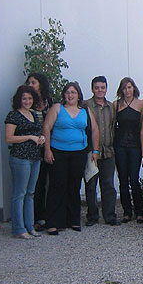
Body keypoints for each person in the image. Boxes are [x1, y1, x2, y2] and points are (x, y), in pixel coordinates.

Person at [42, 82, 100, 235]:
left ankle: (73, 220)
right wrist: (47, 149)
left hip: (79, 153)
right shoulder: (57, 108)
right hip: (58, 151)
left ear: (78, 95)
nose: (70, 95)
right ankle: (54, 222)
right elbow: (46, 128)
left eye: (73, 92)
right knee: (57, 186)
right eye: (67, 92)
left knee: (74, 186)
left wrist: (95, 150)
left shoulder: (85, 110)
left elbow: (94, 130)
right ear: (64, 95)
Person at [5, 85, 45, 239]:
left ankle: (30, 226)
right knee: (19, 193)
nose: (27, 101)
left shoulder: (33, 115)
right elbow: (9, 138)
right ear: (19, 100)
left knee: (30, 193)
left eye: (30, 98)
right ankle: (18, 228)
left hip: (34, 157)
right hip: (20, 158)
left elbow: (37, 133)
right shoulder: (13, 115)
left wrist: (40, 138)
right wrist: (29, 137)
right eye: (24, 98)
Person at [84, 76, 120, 226]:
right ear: (92, 89)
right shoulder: (85, 106)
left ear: (106, 88)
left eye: (103, 87)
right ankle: (92, 216)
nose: (100, 90)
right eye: (97, 87)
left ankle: (109, 216)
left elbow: (113, 127)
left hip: (108, 151)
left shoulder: (111, 106)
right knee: (91, 185)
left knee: (108, 185)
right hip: (91, 151)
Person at [113, 77, 143, 223]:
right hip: (120, 145)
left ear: (134, 88)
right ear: (121, 90)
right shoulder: (116, 104)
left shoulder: (140, 104)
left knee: (134, 178)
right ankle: (127, 212)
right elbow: (113, 126)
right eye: (125, 88)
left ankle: (139, 211)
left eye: (130, 87)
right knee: (123, 179)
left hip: (135, 146)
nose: (127, 90)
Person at [26, 73, 53, 231]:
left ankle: (48, 215)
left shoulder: (49, 103)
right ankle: (36, 217)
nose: (31, 85)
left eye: (33, 82)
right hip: (32, 149)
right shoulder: (27, 103)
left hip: (49, 147)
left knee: (50, 183)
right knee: (37, 184)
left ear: (41, 85)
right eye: (29, 82)